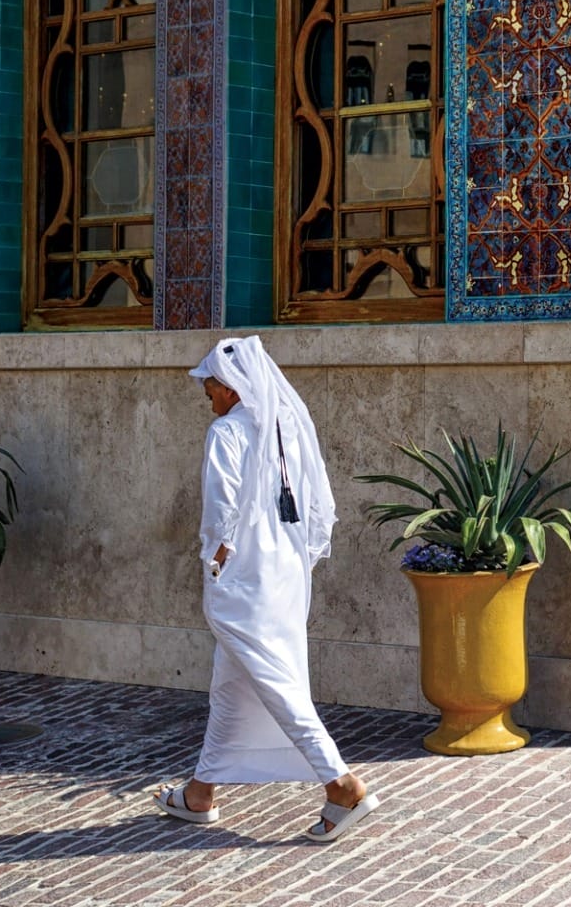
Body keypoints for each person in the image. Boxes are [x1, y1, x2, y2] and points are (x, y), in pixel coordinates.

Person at [153, 336, 379, 844]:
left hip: (245, 579)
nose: (206, 396)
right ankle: (200, 793)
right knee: (232, 683)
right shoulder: (287, 427)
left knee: (276, 682)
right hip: (287, 573)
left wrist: (215, 558)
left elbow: (220, 505)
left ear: (231, 389)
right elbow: (319, 500)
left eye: (210, 386)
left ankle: (342, 785)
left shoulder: (226, 431)